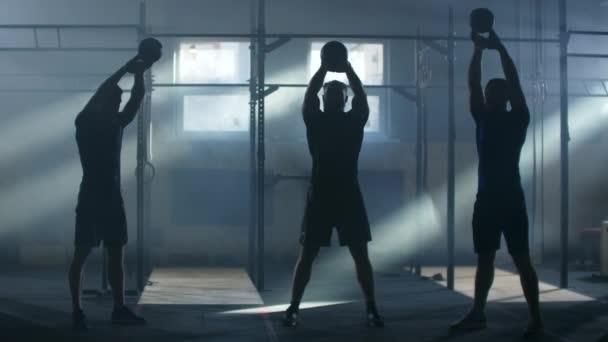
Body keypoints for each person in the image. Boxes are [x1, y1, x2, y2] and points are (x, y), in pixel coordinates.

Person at [451, 30, 543, 338]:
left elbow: (514, 82)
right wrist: (478, 50)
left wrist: (500, 48)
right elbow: (472, 83)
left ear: (503, 97)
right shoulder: (482, 117)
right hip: (487, 198)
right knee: (486, 259)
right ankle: (478, 313)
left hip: (510, 199)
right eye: (488, 92)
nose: (488, 95)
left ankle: (536, 318)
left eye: (494, 92)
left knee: (522, 259)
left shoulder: (518, 117)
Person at [282, 58, 383, 328]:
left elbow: (361, 95)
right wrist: (325, 67)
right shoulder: (314, 120)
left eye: (340, 93)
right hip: (321, 195)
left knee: (361, 256)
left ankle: (371, 307)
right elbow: (309, 93)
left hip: (348, 194)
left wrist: (348, 68)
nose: (335, 96)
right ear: (324, 98)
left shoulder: (355, 120)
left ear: (345, 98)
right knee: (307, 257)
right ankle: (293, 308)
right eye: (330, 93)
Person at [69, 50, 159, 332]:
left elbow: (136, 99)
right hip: (91, 194)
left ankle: (119, 308)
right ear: (102, 101)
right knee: (82, 254)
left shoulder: (115, 124)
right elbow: (105, 90)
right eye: (114, 99)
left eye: (118, 100)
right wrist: (126, 68)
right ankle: (77, 311)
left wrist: (141, 73)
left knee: (116, 253)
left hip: (111, 196)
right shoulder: (84, 122)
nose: (118, 102)